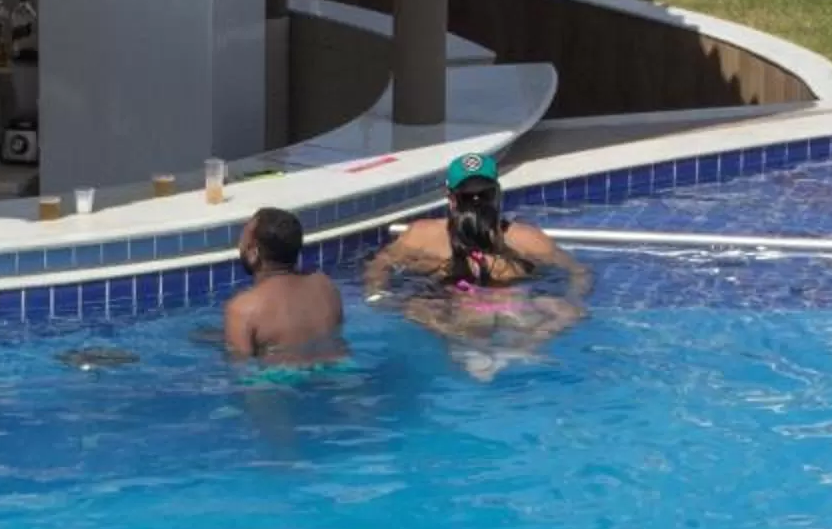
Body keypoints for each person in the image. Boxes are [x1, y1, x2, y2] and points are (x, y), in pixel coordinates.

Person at [364, 152, 591, 373]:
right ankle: (515, 349)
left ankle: (487, 349)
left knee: (413, 307)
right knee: (570, 310)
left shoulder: (422, 237)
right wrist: (572, 296)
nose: (476, 202)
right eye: (469, 197)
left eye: (482, 195)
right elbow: (578, 272)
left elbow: (380, 265)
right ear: (498, 194)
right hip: (507, 312)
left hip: (471, 317)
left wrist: (377, 294)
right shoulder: (527, 239)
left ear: (451, 198)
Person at [220, 205, 347, 362]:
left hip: (280, 376)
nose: (240, 246)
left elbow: (241, 369)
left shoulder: (243, 310)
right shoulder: (325, 285)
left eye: (243, 241)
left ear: (253, 254)